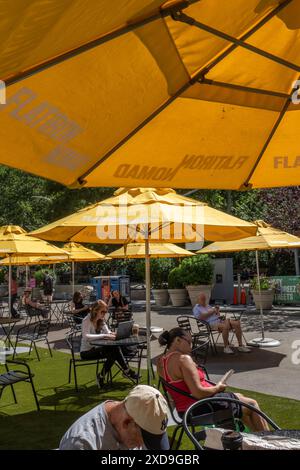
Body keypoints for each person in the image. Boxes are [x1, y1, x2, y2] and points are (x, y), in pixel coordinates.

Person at [157, 328, 270, 432]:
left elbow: (179, 388)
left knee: (242, 402)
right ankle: (272, 443)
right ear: (177, 340)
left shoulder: (161, 361)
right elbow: (198, 393)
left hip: (183, 410)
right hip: (199, 407)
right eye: (189, 342)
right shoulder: (183, 359)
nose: (191, 347)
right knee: (252, 404)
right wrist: (217, 388)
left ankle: (257, 442)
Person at [59, 384, 169, 450]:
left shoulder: (140, 420)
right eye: (139, 441)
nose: (141, 446)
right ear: (126, 422)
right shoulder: (82, 443)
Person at [81, 300, 139, 387]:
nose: (104, 314)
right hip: (87, 352)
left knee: (114, 351)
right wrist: (104, 335)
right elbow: (86, 336)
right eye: (103, 311)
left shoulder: (101, 320)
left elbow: (107, 332)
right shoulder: (86, 320)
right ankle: (126, 371)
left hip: (97, 349)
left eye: (106, 312)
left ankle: (101, 376)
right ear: (96, 310)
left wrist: (116, 334)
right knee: (114, 350)